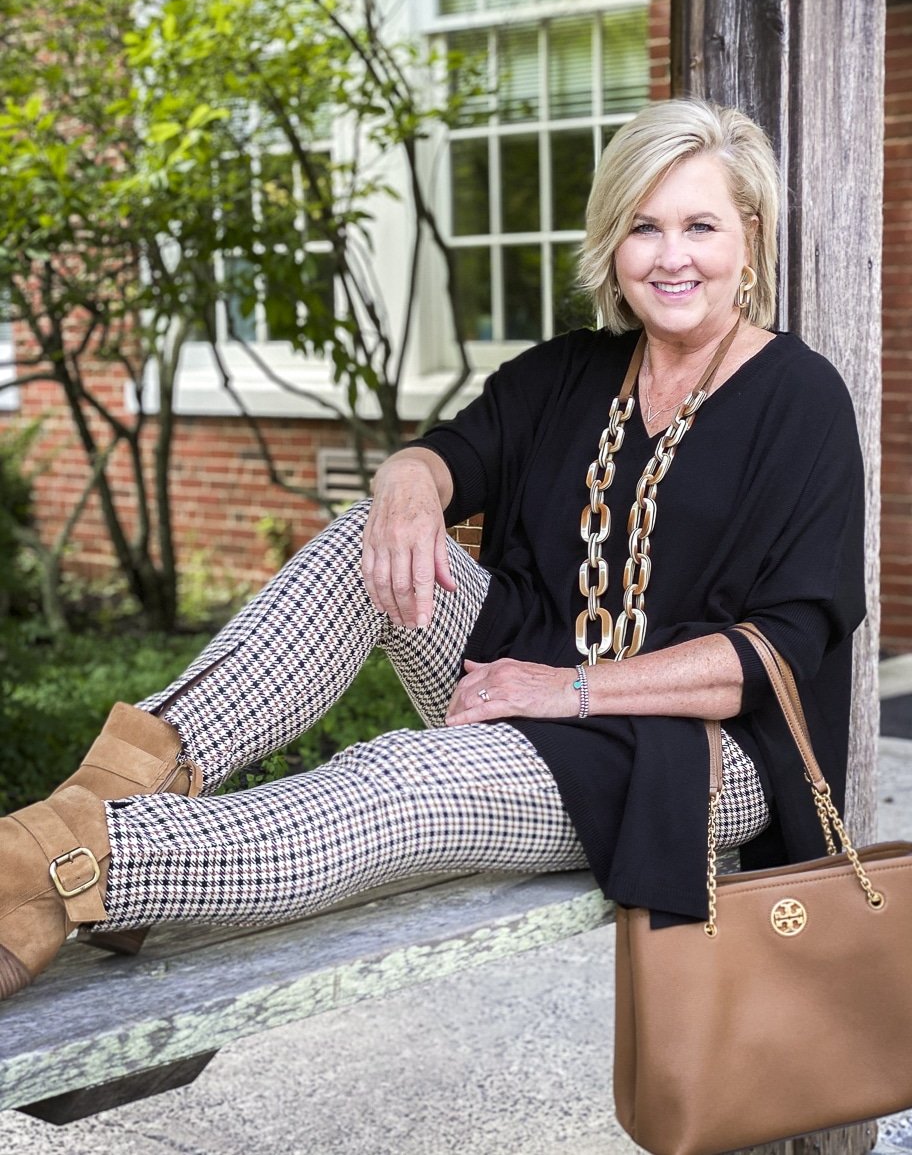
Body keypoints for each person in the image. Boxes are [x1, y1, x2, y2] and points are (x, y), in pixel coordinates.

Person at [0, 97, 865, 1001]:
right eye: (644, 226)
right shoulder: (572, 371)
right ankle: (109, 798)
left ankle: (66, 860)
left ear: (751, 238)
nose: (671, 254)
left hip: (696, 757)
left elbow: (779, 652)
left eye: (700, 225)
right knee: (364, 543)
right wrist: (408, 486)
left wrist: (570, 690)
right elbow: (447, 455)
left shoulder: (801, 400)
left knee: (400, 785)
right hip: (534, 670)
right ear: (614, 240)